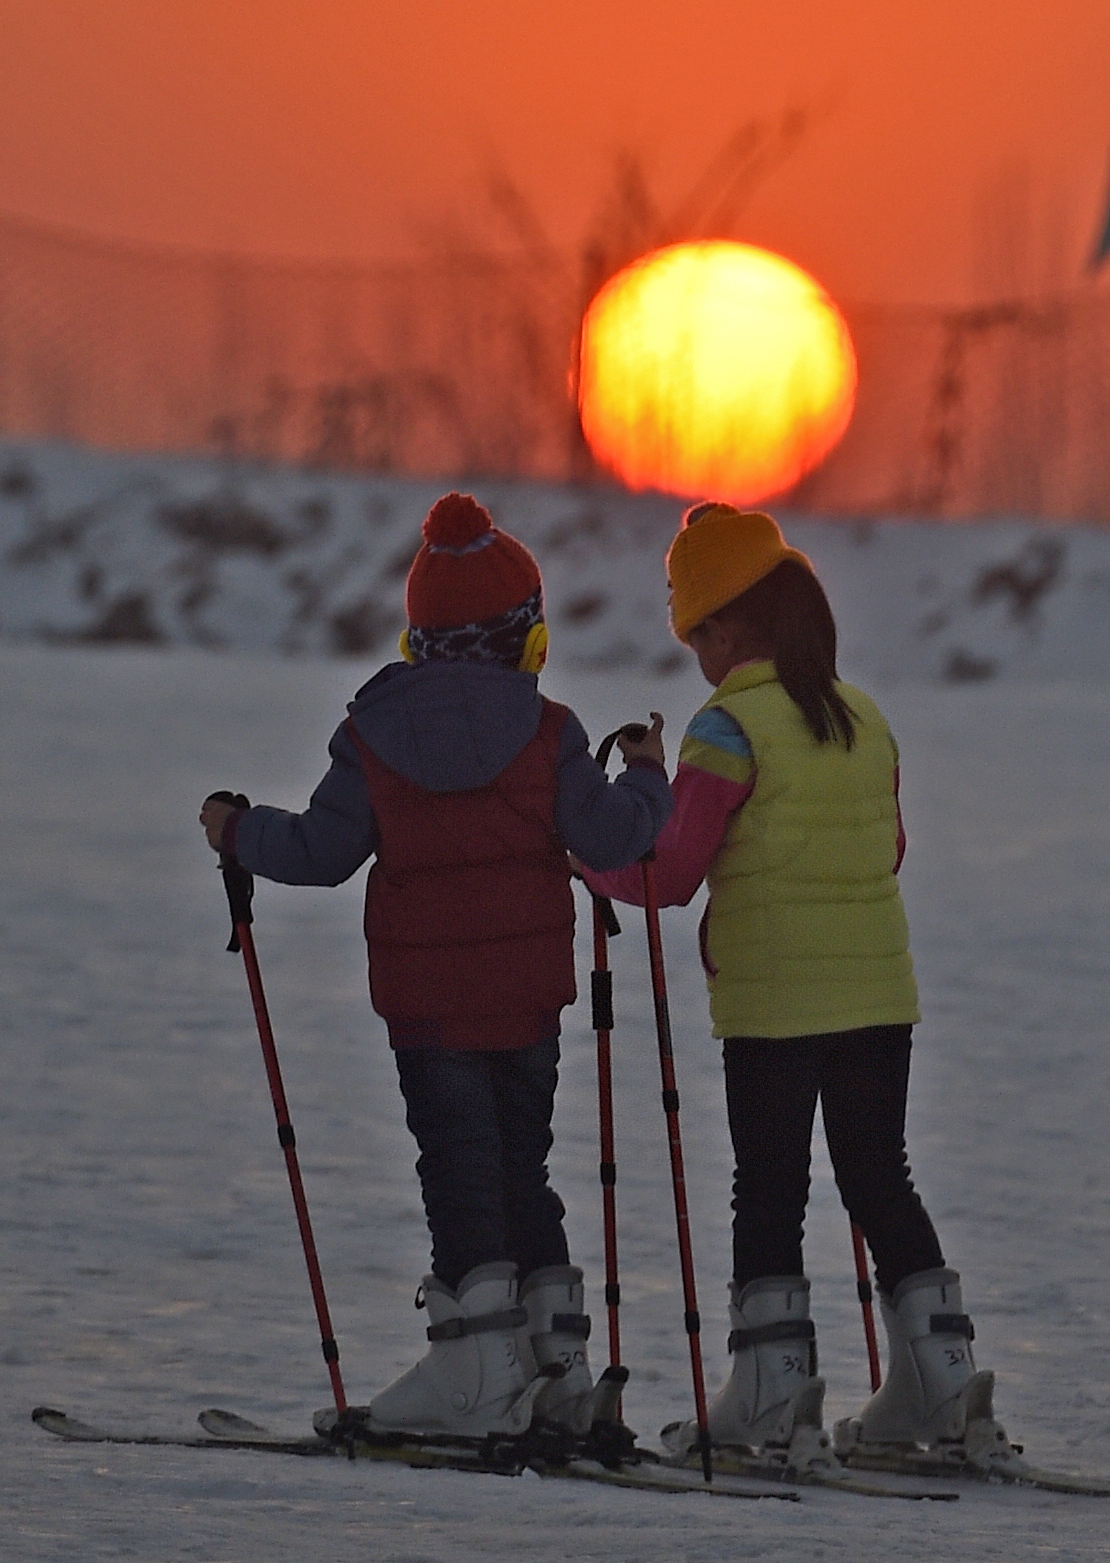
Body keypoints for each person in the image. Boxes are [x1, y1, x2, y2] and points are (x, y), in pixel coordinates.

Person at [200, 491, 671, 1442]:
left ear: (418, 641)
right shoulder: (551, 733)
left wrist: (239, 831)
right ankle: (558, 1368)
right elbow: (614, 837)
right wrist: (648, 774)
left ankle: (477, 1374)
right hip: (527, 1002)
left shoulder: (375, 736)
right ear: (525, 640)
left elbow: (322, 851)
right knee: (522, 1170)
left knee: (459, 1173)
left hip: (428, 1009)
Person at [581, 503, 996, 1464]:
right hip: (878, 995)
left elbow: (668, 874)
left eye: (697, 638)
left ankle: (772, 1393)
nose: (696, 658)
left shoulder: (726, 728)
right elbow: (889, 849)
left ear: (727, 631)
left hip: (773, 999)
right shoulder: (865, 717)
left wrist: (591, 858)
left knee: (769, 1189)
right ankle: (944, 1384)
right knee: (879, 1178)